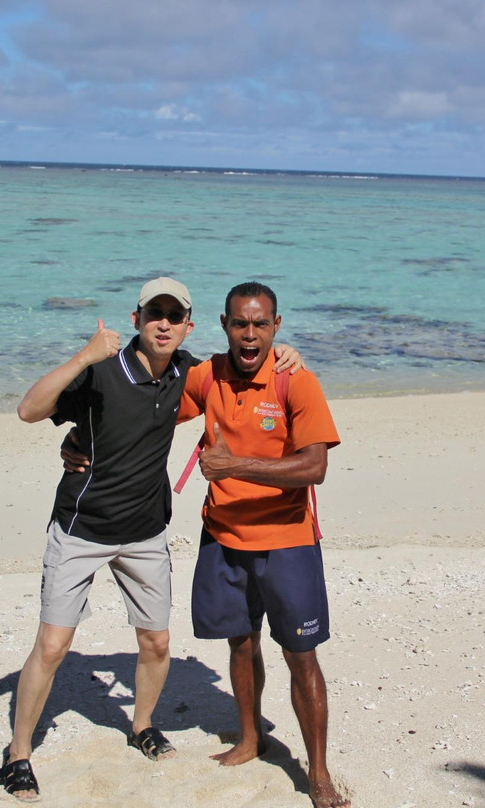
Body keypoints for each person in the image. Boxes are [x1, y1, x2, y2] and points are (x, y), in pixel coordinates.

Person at [0, 277, 303, 803]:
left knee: (156, 641)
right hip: (81, 527)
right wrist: (83, 356)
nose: (163, 323)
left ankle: (141, 727)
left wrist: (286, 352)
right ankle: (18, 753)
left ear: (187, 326)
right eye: (153, 313)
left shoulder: (188, 372)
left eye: (174, 315)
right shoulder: (100, 373)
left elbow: (246, 356)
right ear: (136, 320)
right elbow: (29, 410)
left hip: (145, 532)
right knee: (52, 645)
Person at [178, 281, 350, 808]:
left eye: (259, 324)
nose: (248, 335)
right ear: (224, 325)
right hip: (223, 535)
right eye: (238, 323)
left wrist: (235, 466)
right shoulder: (207, 375)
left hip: (288, 541)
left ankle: (317, 772)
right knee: (241, 642)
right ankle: (251, 738)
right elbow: (150, 401)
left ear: (276, 326)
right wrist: (80, 440)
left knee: (301, 655)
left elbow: (314, 467)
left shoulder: (296, 381)